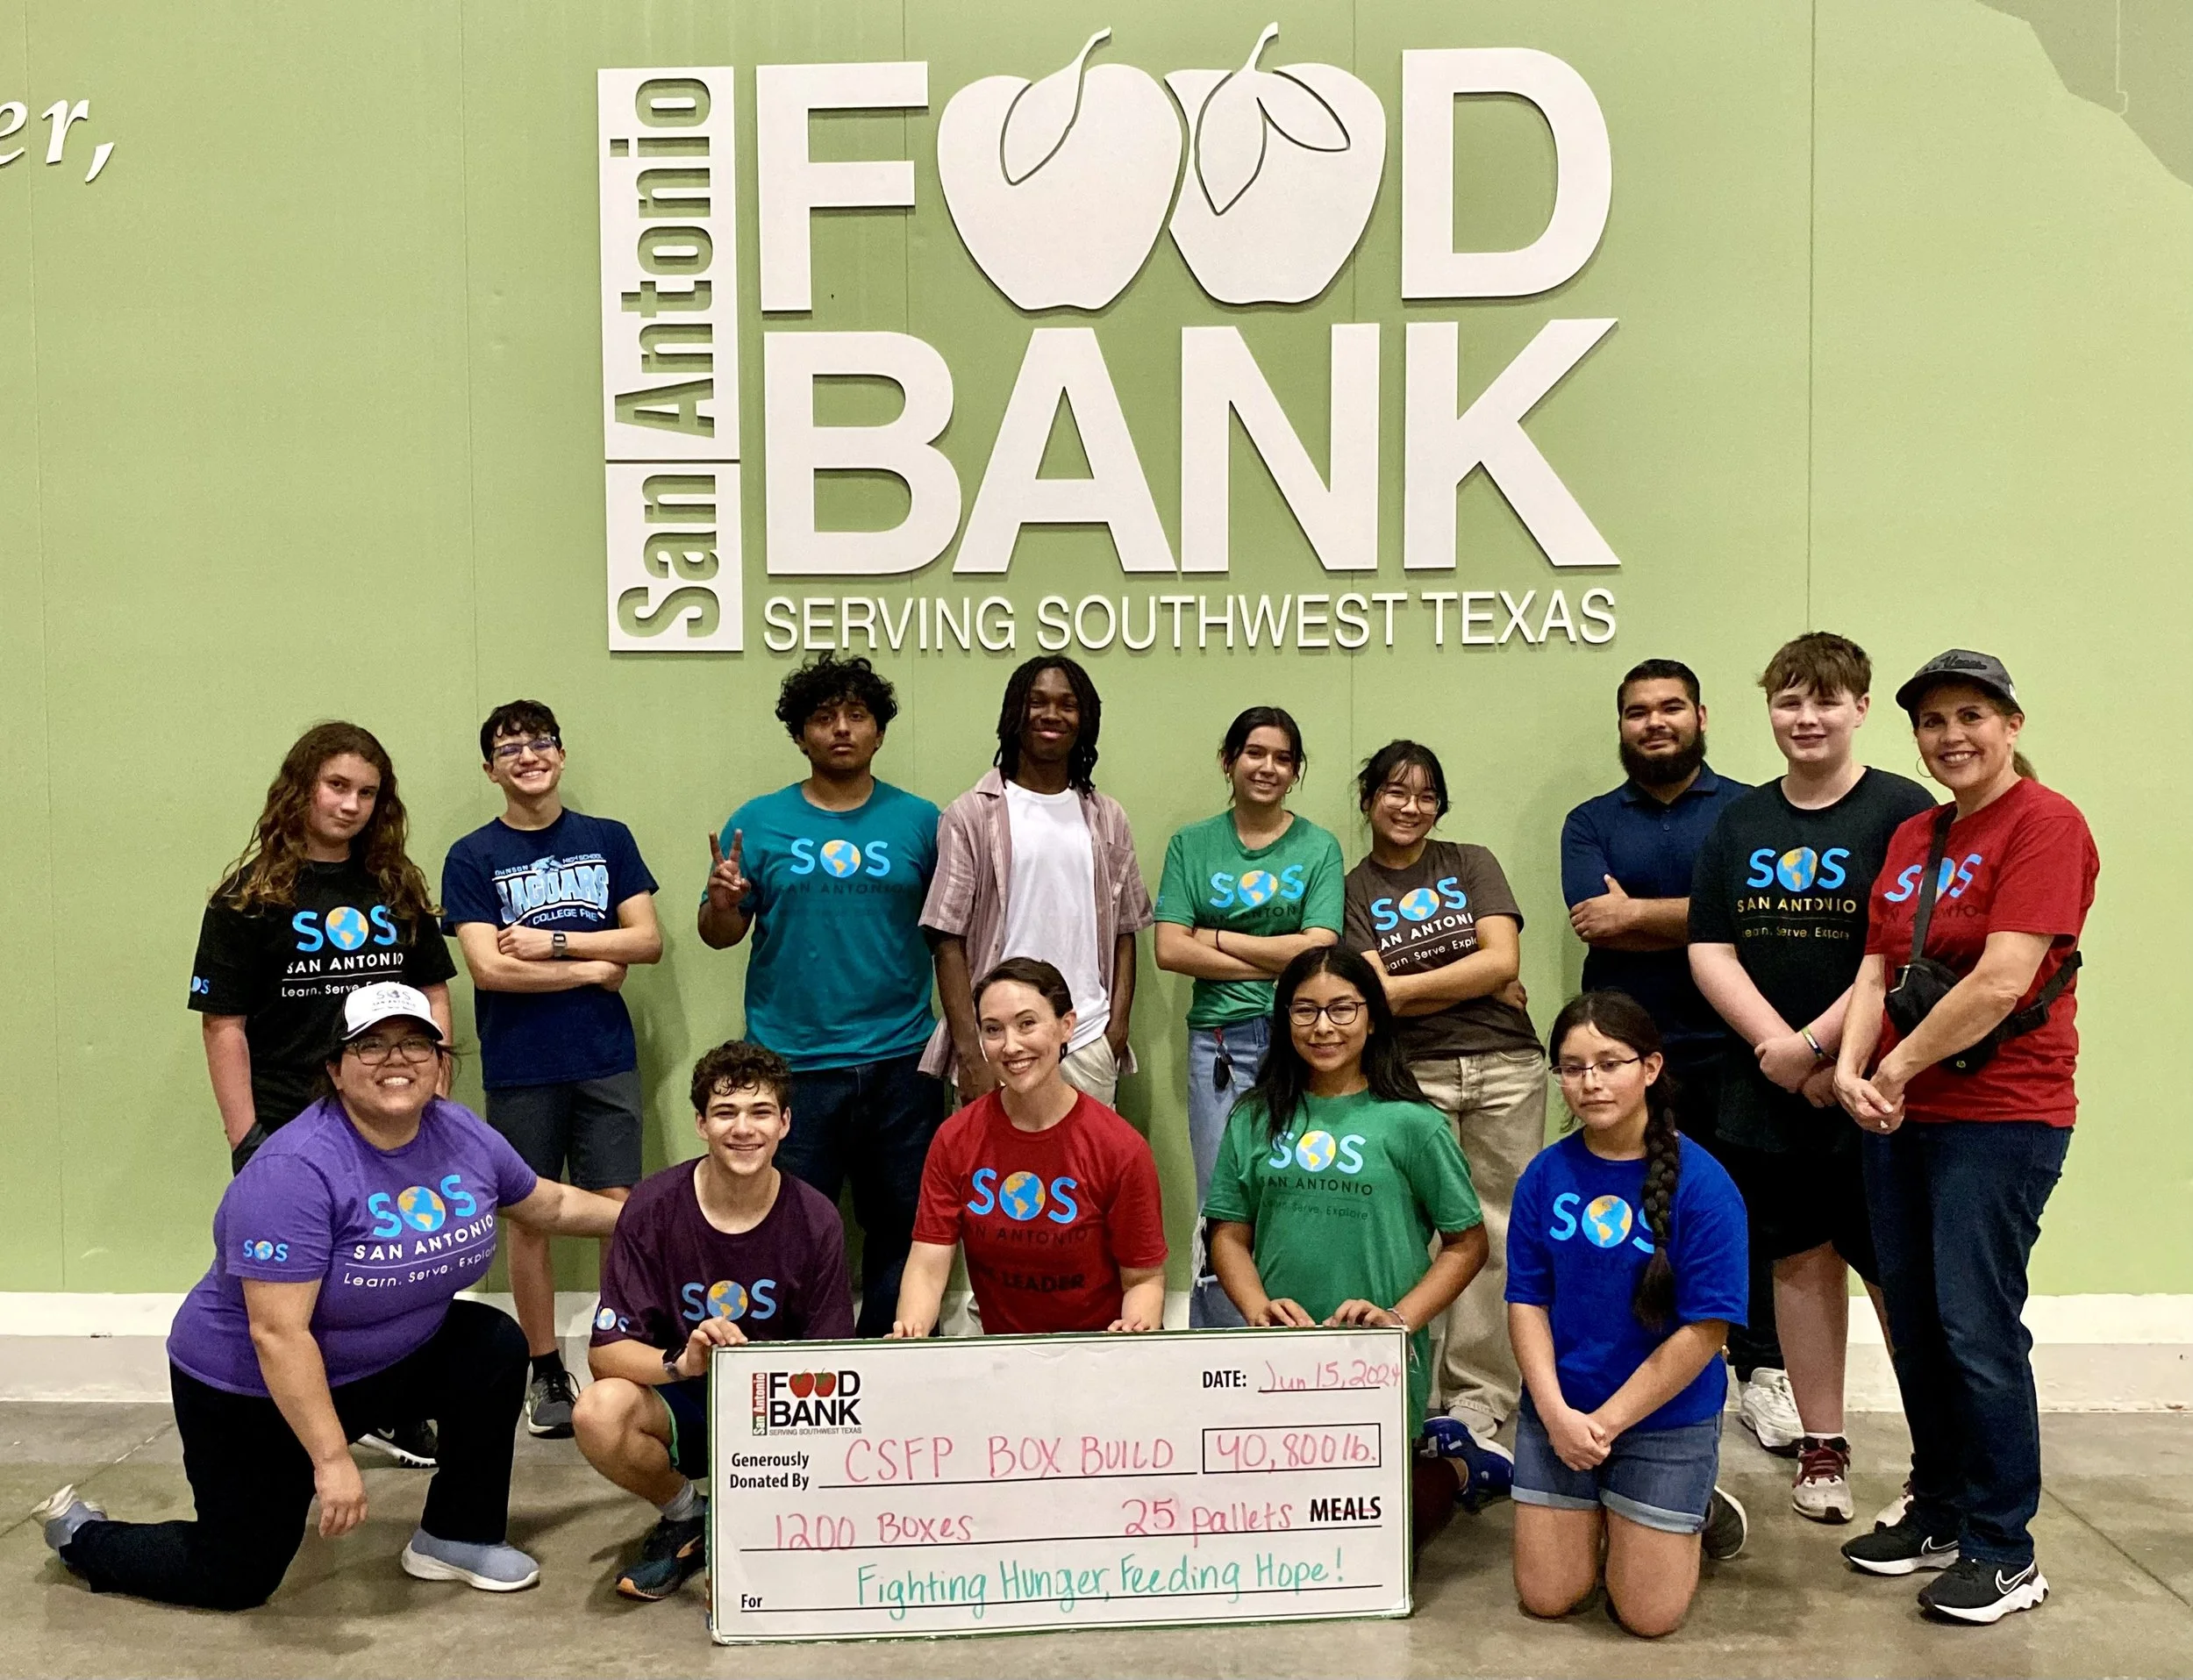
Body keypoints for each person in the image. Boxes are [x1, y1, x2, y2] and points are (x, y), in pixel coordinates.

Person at [34, 983, 624, 1609]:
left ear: (439, 1060)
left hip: (382, 1362)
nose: (397, 1059)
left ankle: (456, 1534)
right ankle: (83, 1534)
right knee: (235, 1575)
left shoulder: (459, 1132)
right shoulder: (295, 1170)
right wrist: (332, 1457)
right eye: (371, 1044)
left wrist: (662, 1212)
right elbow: (277, 1333)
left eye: (416, 1043)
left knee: (491, 1343)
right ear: (335, 1069)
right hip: (253, 1390)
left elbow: (549, 1202)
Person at [1835, 651, 2097, 1625]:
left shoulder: (2046, 823)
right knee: (1915, 1319)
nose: (1951, 735)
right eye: (1933, 720)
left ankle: (2004, 1546)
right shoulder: (1914, 834)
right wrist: (1856, 1072)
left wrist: (1892, 1073)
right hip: (1900, 1114)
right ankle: (1938, 1507)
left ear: (2011, 723)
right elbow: (1875, 970)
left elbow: (1999, 980)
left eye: (1972, 714)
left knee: (1976, 1327)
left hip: (2001, 1116)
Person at [1688, 632, 1935, 1522]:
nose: (1806, 717)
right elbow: (1709, 944)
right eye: (1789, 700)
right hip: (1768, 1086)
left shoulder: (1903, 812)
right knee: (1799, 1258)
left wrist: (1825, 1051)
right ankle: (1821, 1445)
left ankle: (1934, 1460)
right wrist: (1777, 1051)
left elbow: (1899, 950)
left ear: (1860, 708)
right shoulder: (1741, 820)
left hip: (1875, 1086)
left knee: (1895, 1270)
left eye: (1825, 700)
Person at [1560, 660, 1795, 1454]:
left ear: (1701, 714)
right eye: (1637, 712)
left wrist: (1646, 911)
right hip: (1624, 1059)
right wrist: (1704, 914)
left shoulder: (1750, 813)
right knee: (1634, 1216)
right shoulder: (1590, 820)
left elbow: (1759, 922)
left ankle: (1761, 1372)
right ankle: (1647, 1363)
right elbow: (1596, 921)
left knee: (1746, 1212)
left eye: (1670, 708)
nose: (1654, 722)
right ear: (1620, 724)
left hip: (1735, 1044)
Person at [698, 654, 945, 1339]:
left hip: (903, 1060)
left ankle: (882, 1361)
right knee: (785, 1223)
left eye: (856, 715)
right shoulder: (760, 820)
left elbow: (951, 933)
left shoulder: (921, 822)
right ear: (800, 733)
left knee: (902, 1223)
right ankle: (798, 1361)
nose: (841, 728)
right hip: (791, 1064)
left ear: (879, 731)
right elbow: (720, 934)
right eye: (823, 716)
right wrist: (722, 902)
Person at [1202, 947, 1492, 1511]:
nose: (1323, 1027)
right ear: (1283, 1018)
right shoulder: (1254, 1117)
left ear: (1372, 1017)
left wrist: (1400, 1321)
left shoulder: (1414, 1124)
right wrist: (1257, 1306)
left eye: (1342, 1009)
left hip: (1374, 1357)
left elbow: (1468, 1243)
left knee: (1373, 1529)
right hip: (1281, 1353)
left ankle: (1456, 1468)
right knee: (1278, 1517)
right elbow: (1229, 1233)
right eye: (1305, 1010)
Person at [442, 700, 662, 1439]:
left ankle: (613, 1354)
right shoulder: (472, 855)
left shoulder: (608, 839)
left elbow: (649, 940)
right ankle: (545, 1370)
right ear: (490, 768)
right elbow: (487, 969)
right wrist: (594, 966)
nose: (528, 755)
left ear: (561, 755)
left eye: (540, 743)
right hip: (520, 1063)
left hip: (605, 1058)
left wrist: (556, 944)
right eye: (510, 747)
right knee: (529, 1215)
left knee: (617, 1211)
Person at [573, 1040, 854, 1603]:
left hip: (780, 1409)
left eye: (760, 1112)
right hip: (684, 1401)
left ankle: (763, 1520)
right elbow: (606, 1354)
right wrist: (684, 1361)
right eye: (726, 1113)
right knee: (598, 1412)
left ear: (785, 1123)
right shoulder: (652, 1207)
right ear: (701, 1124)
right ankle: (686, 1516)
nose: (743, 1129)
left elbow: (833, 1362)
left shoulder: (816, 1217)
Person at [1508, 990, 1750, 1637]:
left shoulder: (1706, 1185)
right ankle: (1617, 1513)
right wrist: (1557, 1415)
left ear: (1649, 1068)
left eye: (1609, 1063)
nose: (1589, 1082)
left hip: (1662, 1420)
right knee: (1549, 1595)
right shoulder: (1543, 1175)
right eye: (1571, 1066)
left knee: (1647, 1615)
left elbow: (1706, 1330)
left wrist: (1608, 1423)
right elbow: (1526, 1302)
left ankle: (1688, 1503)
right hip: (1562, 1412)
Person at [1341, 740, 1542, 1497]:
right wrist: (1473, 982)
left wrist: (1431, 984)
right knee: (1418, 1234)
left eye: (1426, 794)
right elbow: (1374, 992)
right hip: (1412, 1071)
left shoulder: (1472, 860)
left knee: (1495, 1232)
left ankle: (1481, 1396)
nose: (1410, 806)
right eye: (1395, 790)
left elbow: (1503, 962)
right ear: (1369, 799)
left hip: (1505, 1066)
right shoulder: (1353, 887)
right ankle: (1412, 1389)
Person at [190, 721, 456, 1173]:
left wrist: (434, 1100)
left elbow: (433, 992)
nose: (352, 805)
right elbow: (223, 1026)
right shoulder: (246, 899)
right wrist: (247, 1140)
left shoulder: (397, 886)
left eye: (367, 793)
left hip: (389, 1113)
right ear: (300, 788)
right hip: (287, 1123)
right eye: (337, 786)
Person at [1154, 706, 1344, 1327]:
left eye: (1283, 757)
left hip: (1304, 1040)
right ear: (1227, 760)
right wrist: (1275, 957)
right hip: (1220, 1046)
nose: (1268, 766)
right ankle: (1219, 1345)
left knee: (1298, 1188)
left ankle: (1295, 1336)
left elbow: (1319, 949)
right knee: (1222, 1198)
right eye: (1255, 752)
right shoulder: (1192, 843)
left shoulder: (1317, 846)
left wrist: (1214, 936)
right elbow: (1169, 948)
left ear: (1295, 771)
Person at [922, 656, 1153, 1110]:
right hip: (1001, 1046)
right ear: (1014, 713)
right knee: (994, 1180)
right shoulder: (971, 814)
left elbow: (1126, 932)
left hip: (1087, 1038)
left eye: (1067, 705)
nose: (1052, 714)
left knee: (1084, 1180)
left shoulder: (1107, 817)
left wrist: (1115, 1031)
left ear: (1085, 719)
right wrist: (972, 1053)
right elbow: (946, 939)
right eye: (1037, 702)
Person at [892, 959, 1166, 1338]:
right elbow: (928, 1262)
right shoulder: (955, 1138)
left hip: (1098, 1357)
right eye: (993, 1029)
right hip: (1004, 1357)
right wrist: (912, 1333)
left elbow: (1143, 1278)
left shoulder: (1119, 1148)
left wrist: (1132, 1335)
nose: (1011, 1046)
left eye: (1027, 1024)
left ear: (1066, 1026)